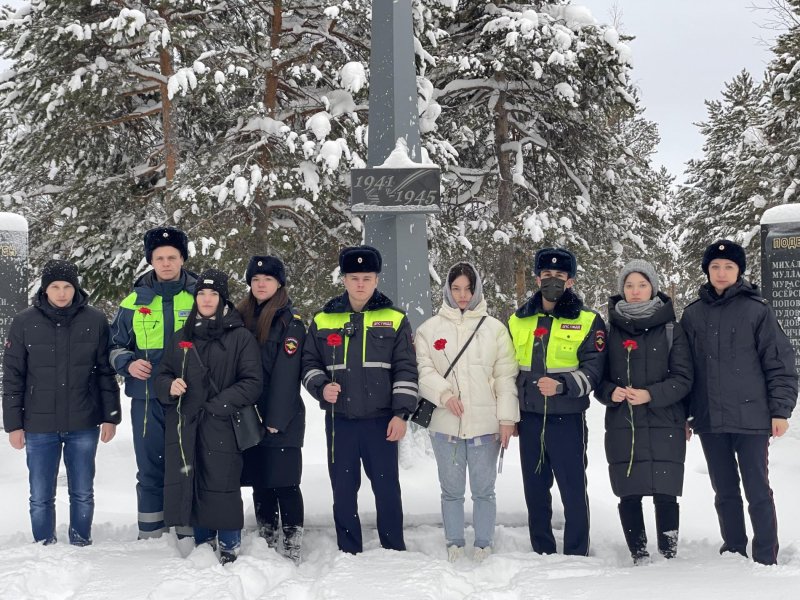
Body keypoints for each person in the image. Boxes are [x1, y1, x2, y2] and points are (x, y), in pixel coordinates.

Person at [680, 240, 797, 566]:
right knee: (725, 491)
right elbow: (684, 370)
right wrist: (684, 414)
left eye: (728, 267)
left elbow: (780, 364)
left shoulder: (757, 310)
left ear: (739, 271)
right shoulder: (692, 315)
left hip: (752, 418)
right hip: (710, 419)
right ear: (707, 271)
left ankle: (765, 556)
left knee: (758, 490)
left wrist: (780, 411)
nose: (721, 272)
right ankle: (733, 550)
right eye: (715, 267)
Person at [301, 245, 418, 554]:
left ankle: (393, 547)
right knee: (343, 489)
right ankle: (348, 549)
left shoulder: (395, 319)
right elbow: (309, 364)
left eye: (367, 277)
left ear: (376, 279)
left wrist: (401, 414)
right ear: (344, 280)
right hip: (340, 421)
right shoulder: (324, 320)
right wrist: (321, 387)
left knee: (387, 489)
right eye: (354, 278)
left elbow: (406, 368)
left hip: (381, 421)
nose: (361, 284)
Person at [2, 259, 121, 545]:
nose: (62, 293)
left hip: (84, 422)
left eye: (67, 286)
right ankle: (44, 546)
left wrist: (111, 416)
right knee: (41, 494)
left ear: (76, 287)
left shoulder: (94, 320)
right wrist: (13, 425)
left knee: (82, 491)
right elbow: (13, 377)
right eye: (55, 286)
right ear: (45, 289)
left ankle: (81, 542)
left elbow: (105, 372)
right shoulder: (24, 322)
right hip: (38, 424)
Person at [155, 268, 262, 564]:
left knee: (223, 485)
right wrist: (169, 386)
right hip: (186, 426)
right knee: (194, 483)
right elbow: (162, 374)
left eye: (213, 293)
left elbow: (252, 382)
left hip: (222, 424)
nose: (206, 298)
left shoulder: (240, 337)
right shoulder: (181, 336)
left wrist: (218, 405)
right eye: (201, 293)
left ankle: (229, 545)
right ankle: (203, 546)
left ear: (223, 299)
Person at [415, 262, 519, 562]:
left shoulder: (495, 329)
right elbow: (423, 370)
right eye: (457, 288)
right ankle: (455, 543)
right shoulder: (429, 330)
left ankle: (484, 543)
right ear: (447, 289)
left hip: (485, 426)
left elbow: (505, 378)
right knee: (451, 490)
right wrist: (444, 394)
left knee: (484, 490)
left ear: (477, 290)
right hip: (446, 424)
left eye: (468, 289)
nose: (463, 295)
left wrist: (506, 419)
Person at [507, 248, 606, 556]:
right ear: (537, 278)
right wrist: (508, 413)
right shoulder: (518, 320)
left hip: (567, 418)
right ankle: (542, 551)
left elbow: (594, 369)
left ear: (571, 281)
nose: (552, 281)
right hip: (531, 417)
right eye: (546, 276)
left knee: (573, 488)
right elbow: (506, 369)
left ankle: (577, 552)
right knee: (535, 490)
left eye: (559, 276)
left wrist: (562, 385)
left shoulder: (589, 320)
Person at [597, 259, 693, 564]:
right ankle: (638, 554)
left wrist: (651, 394)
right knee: (629, 490)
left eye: (641, 285)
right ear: (621, 289)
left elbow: (684, 378)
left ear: (653, 287)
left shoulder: (670, 329)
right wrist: (610, 392)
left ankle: (669, 554)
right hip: (624, 422)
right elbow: (597, 377)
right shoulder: (609, 330)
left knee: (665, 491)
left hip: (665, 420)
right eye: (629, 285)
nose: (635, 291)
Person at [109, 226, 196, 539]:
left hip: (189, 395)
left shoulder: (201, 295)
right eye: (159, 258)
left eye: (172, 257)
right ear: (151, 260)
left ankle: (187, 527)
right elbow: (115, 344)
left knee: (187, 462)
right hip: (146, 397)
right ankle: (151, 530)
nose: (166, 263)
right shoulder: (135, 300)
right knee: (150, 464)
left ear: (182, 258)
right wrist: (128, 363)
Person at [237, 255, 307, 564]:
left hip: (282, 416)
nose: (260, 284)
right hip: (250, 416)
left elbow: (286, 375)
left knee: (285, 483)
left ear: (279, 283)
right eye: (255, 280)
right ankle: (266, 534)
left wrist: (275, 419)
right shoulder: (241, 318)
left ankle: (292, 538)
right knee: (261, 481)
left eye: (267, 279)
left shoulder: (290, 323)